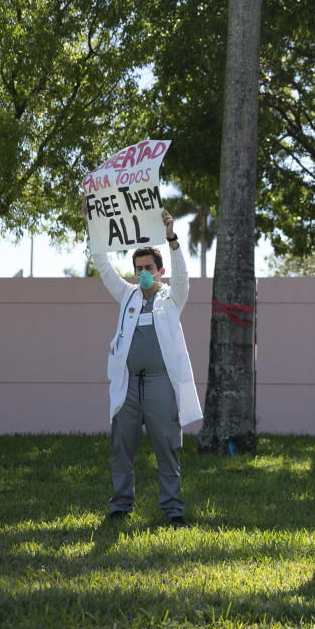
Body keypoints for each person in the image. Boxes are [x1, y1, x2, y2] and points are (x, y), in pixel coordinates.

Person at [84, 201, 201, 529]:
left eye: (149, 267)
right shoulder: (128, 296)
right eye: (138, 268)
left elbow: (183, 278)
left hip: (161, 383)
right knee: (121, 446)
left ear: (160, 270)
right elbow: (103, 265)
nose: (143, 273)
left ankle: (173, 509)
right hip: (129, 383)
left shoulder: (172, 297)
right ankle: (121, 505)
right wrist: (93, 225)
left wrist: (172, 238)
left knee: (167, 445)